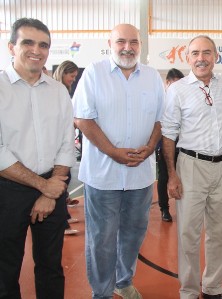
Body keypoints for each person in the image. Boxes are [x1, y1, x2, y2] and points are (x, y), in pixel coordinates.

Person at [72, 23, 164, 299]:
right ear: (109, 44)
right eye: (121, 42)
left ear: (140, 45)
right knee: (102, 238)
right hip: (103, 175)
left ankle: (123, 282)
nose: (128, 47)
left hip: (140, 175)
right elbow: (82, 118)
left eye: (133, 42)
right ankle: (101, 292)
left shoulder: (152, 77)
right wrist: (113, 151)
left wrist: (150, 147)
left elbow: (161, 119)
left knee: (133, 234)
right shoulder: (94, 73)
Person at [0, 17, 75, 298]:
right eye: (27, 42)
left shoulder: (58, 91)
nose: (37, 50)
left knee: (51, 266)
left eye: (44, 44)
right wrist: (43, 187)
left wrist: (51, 188)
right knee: (6, 269)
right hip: (8, 191)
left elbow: (67, 143)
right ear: (11, 47)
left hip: (52, 186)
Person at [162, 35, 222, 299]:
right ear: (187, 57)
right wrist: (172, 175)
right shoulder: (177, 90)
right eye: (195, 53)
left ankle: (213, 288)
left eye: (206, 52)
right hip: (191, 165)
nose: (201, 58)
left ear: (216, 56)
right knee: (188, 234)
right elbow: (169, 133)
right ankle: (189, 292)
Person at [53, 60, 80, 235]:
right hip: (58, 146)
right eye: (72, 75)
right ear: (63, 73)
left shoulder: (62, 90)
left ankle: (64, 216)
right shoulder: (57, 90)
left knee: (65, 181)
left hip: (64, 144)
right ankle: (61, 223)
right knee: (61, 182)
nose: (73, 79)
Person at [157, 68, 185, 222]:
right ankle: (164, 209)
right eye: (174, 83)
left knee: (184, 178)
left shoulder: (184, 98)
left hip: (183, 146)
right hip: (165, 146)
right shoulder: (160, 101)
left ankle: (184, 207)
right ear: (167, 83)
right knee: (164, 177)